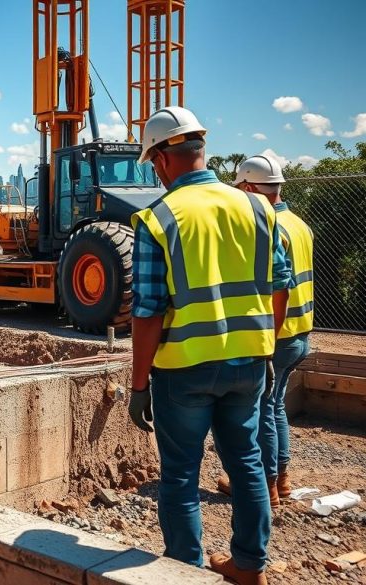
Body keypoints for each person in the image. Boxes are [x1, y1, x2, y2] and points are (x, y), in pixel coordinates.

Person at [128, 107, 291, 585]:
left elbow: (148, 311)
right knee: (246, 461)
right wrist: (266, 343)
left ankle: (185, 570)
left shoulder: (159, 218)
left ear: (161, 159)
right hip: (248, 363)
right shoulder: (258, 207)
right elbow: (279, 284)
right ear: (201, 149)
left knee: (180, 473)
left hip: (185, 369)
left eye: (153, 163)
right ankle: (248, 566)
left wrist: (139, 385)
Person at [218, 155, 313, 504]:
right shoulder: (299, 223)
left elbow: (276, 288)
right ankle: (282, 480)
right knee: (276, 406)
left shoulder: (270, 226)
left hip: (279, 332)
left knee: (264, 409)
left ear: (248, 187)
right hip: (301, 332)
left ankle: (268, 485)